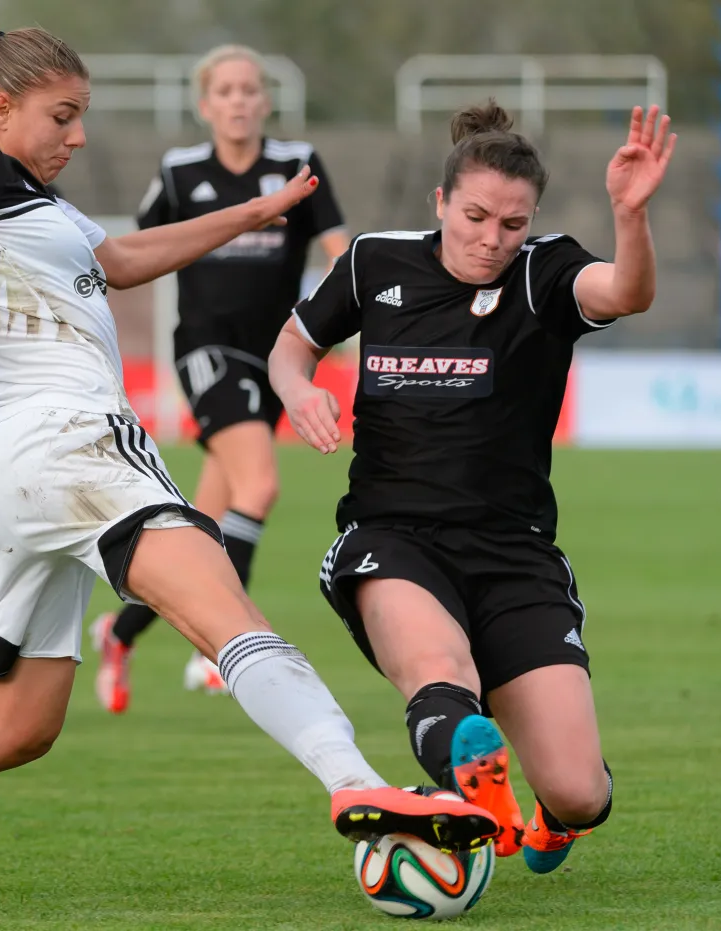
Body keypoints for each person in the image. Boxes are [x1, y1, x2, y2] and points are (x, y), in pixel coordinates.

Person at [0, 6, 499, 905]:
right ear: (3, 106)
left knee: (18, 727)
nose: (80, 134)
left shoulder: (29, 198)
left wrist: (250, 212)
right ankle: (356, 782)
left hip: (14, 472)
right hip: (75, 443)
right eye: (63, 116)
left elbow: (125, 258)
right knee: (229, 614)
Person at [269, 100, 675, 870]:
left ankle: (551, 810)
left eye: (512, 223)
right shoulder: (374, 261)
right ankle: (476, 790)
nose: (492, 240)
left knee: (581, 791)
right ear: (441, 203)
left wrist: (631, 213)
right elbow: (293, 344)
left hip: (511, 551)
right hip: (392, 536)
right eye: (476, 217)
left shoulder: (545, 273)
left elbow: (625, 292)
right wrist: (298, 388)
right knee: (440, 673)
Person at [89, 44, 350, 714]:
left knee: (203, 528)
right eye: (225, 91)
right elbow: (132, 253)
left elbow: (339, 253)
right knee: (259, 484)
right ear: (206, 106)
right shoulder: (181, 173)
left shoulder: (297, 165)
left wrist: (362, 314)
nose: (238, 100)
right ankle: (226, 648)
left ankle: (119, 633)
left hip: (278, 360)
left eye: (249, 89)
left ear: (264, 100)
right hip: (207, 351)